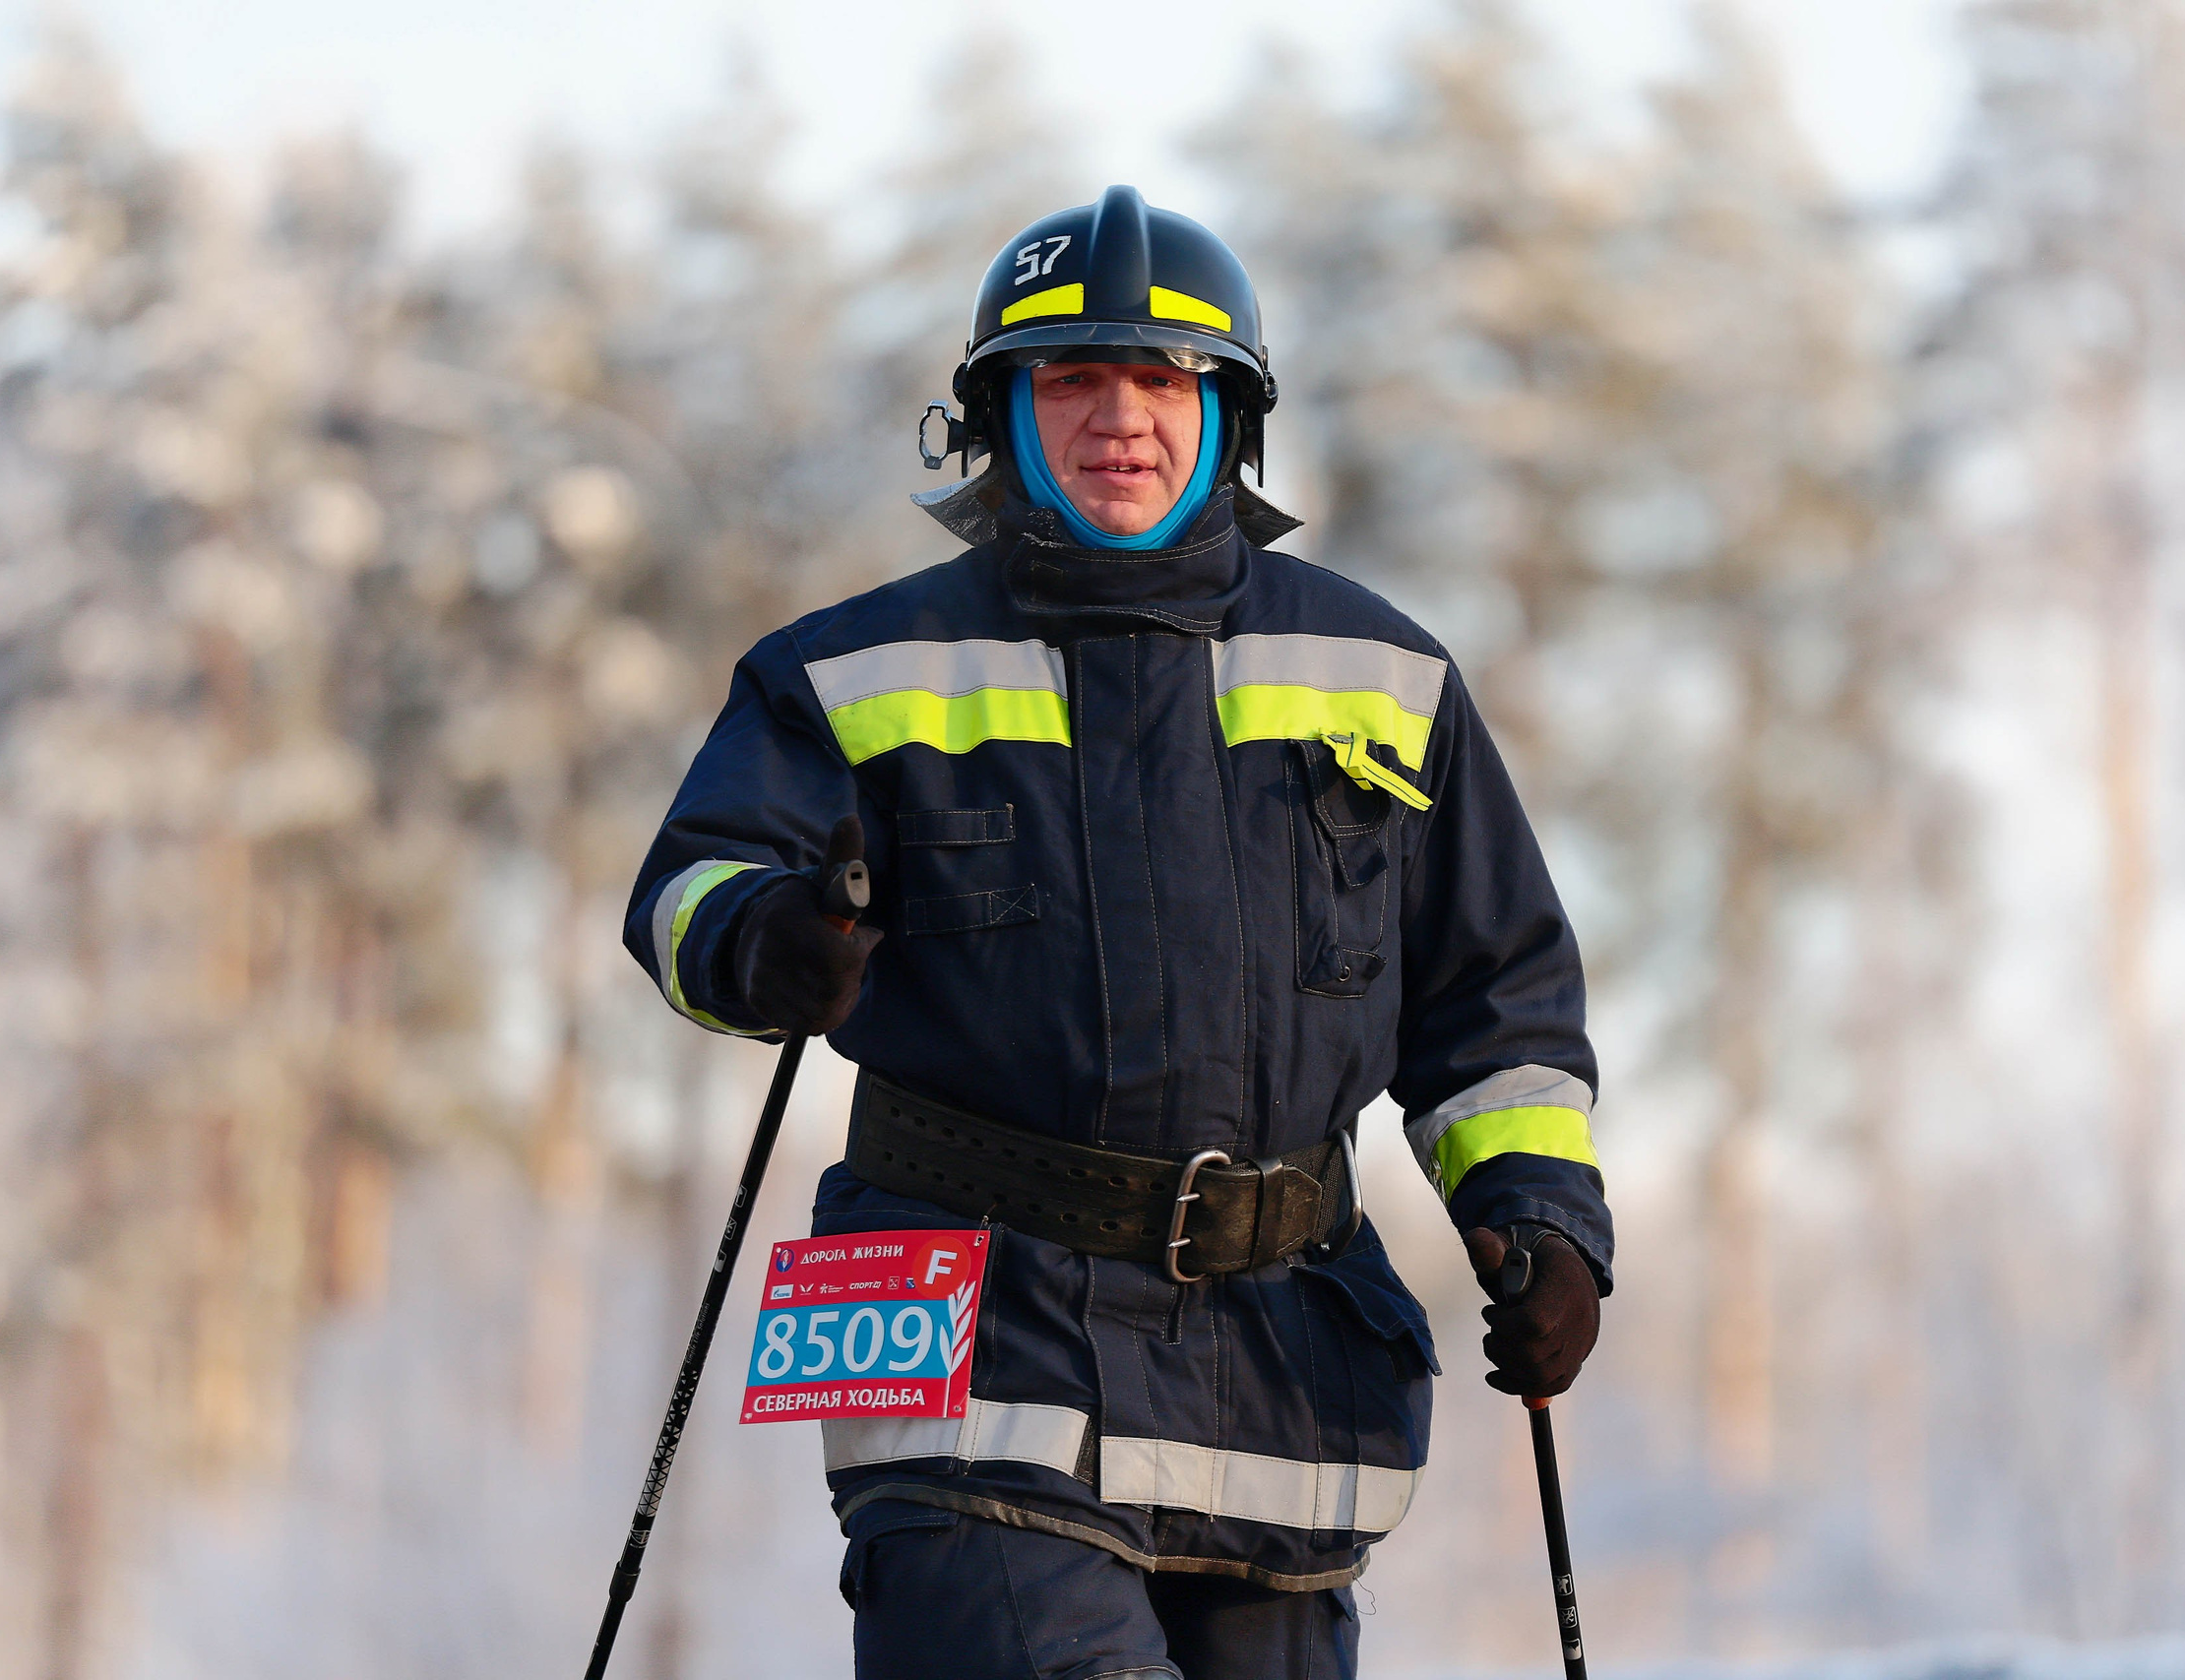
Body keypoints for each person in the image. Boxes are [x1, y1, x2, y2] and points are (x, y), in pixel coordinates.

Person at [626, 185, 1610, 1680]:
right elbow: (689, 890)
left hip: (1283, 1374)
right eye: (1071, 378)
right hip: (965, 1343)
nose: (1120, 418)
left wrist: (1544, 1226)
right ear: (995, 421)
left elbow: (1497, 1001)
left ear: (1233, 421)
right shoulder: (849, 670)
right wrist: (762, 942)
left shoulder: (1384, 674)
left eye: (1163, 378)